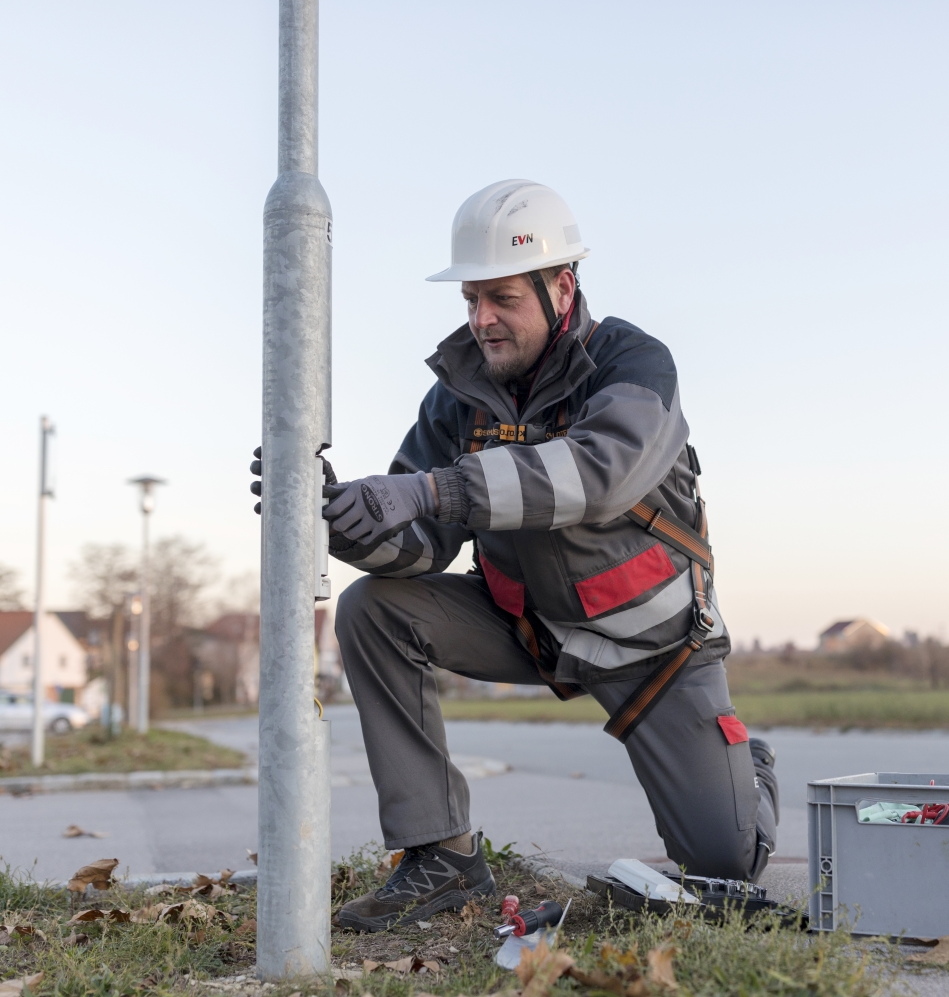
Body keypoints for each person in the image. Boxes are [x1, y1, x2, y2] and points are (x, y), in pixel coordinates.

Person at [319, 180, 778, 931]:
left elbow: (597, 475)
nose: (481, 320)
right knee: (373, 607)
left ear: (561, 286)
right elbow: (421, 544)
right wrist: (343, 522)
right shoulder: (458, 398)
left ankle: (745, 770)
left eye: (502, 298)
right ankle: (441, 857)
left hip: (654, 651)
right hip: (528, 629)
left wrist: (432, 491)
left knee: (722, 872)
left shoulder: (632, 363)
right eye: (471, 299)